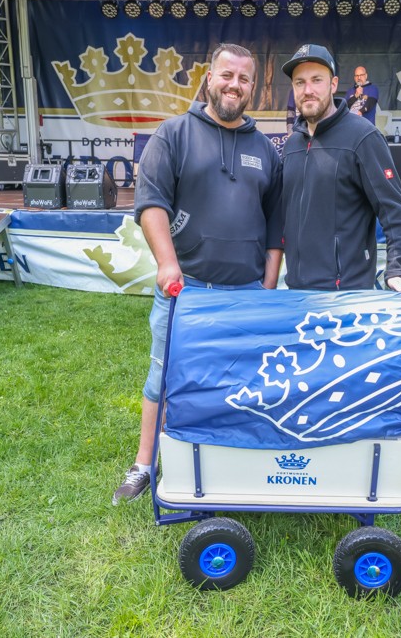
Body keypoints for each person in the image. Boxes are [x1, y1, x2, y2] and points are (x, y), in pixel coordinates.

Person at [112, 43, 284, 504]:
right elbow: (151, 205)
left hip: (246, 292)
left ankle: (230, 462)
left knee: (241, 385)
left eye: (244, 79)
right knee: (162, 380)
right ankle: (144, 464)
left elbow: (276, 227)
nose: (234, 85)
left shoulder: (266, 150)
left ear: (253, 88)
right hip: (186, 291)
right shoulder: (173, 134)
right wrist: (168, 264)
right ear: (209, 78)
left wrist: (267, 287)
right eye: (226, 75)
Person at [280, 44, 401, 294]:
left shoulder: (363, 137)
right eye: (300, 82)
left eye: (316, 80)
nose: (307, 90)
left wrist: (397, 270)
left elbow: (395, 210)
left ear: (333, 84)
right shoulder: (291, 146)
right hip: (296, 289)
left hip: (346, 292)